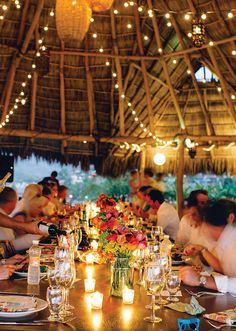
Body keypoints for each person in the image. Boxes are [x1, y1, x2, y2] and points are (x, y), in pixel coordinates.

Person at [181, 199, 236, 294]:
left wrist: (200, 279)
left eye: (212, 228)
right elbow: (222, 267)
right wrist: (202, 250)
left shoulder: (230, 236)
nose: (208, 233)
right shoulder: (225, 238)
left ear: (231, 218)